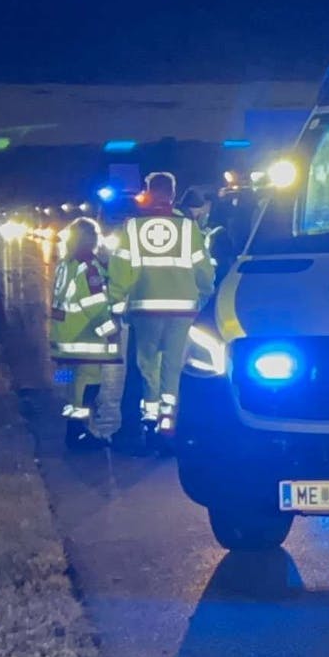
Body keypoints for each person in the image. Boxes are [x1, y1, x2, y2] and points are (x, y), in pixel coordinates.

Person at [107, 172, 216, 452]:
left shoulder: (132, 228)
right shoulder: (188, 228)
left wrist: (116, 304)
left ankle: (149, 421)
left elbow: (121, 271)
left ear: (147, 191)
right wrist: (203, 296)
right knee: (173, 369)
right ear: (173, 193)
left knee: (147, 368)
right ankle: (168, 426)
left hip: (145, 309)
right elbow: (203, 270)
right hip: (182, 310)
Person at [48, 218, 120, 450]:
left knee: (68, 381)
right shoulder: (88, 267)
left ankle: (71, 427)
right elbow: (95, 306)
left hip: (63, 336)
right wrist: (110, 331)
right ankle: (79, 433)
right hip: (84, 338)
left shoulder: (64, 264)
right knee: (89, 383)